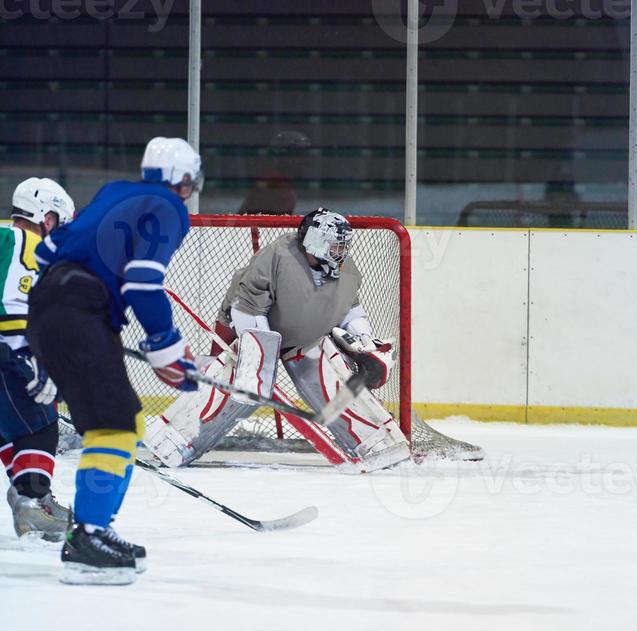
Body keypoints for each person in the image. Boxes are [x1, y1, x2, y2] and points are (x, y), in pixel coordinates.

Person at [27, 137, 202, 585]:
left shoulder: (111, 193)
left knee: (129, 422)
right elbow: (143, 283)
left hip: (53, 307)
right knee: (115, 427)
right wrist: (167, 347)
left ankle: (97, 528)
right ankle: (87, 538)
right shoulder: (169, 206)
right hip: (79, 310)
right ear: (185, 180)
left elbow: (46, 253)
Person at [145, 208, 410, 472]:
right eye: (335, 245)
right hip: (255, 329)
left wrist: (362, 339)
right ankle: (174, 440)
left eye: (343, 246)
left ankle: (378, 443)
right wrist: (258, 355)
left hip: (306, 340)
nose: (341, 252)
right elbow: (246, 305)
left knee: (335, 384)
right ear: (315, 242)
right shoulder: (278, 256)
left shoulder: (346, 269)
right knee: (240, 386)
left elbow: (350, 307)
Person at [0, 177, 75, 541]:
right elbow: (14, 309)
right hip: (5, 349)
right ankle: (30, 502)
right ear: (46, 217)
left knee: (9, 426)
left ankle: (34, 497)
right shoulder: (22, 241)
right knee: (40, 422)